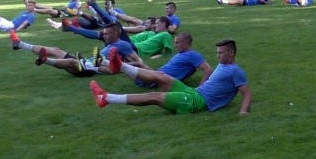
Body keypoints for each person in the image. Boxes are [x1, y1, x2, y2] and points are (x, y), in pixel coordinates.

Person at [89, 39, 251, 115]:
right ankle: (121, 66)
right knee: (161, 76)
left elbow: (247, 93)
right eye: (217, 53)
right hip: (194, 92)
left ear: (231, 53)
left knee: (154, 96)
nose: (217, 56)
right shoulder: (223, 65)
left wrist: (243, 111)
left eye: (221, 53)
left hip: (197, 102)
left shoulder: (236, 71)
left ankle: (106, 98)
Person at [10, 24, 140, 77]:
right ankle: (20, 44)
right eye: (104, 33)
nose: (104, 36)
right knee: (57, 50)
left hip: (91, 71)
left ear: (116, 35)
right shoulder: (110, 43)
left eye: (107, 34)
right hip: (88, 63)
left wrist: (122, 66)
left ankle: (45, 60)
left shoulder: (123, 45)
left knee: (73, 61)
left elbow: (139, 61)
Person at [135, 31, 213, 88]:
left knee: (135, 68)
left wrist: (201, 86)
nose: (174, 45)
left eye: (177, 43)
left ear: (186, 43)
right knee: (137, 65)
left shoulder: (193, 55)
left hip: (158, 80)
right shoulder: (180, 54)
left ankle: (123, 66)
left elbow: (208, 69)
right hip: (157, 74)